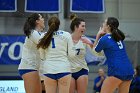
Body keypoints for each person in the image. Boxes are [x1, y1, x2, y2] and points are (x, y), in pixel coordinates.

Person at [92, 17, 134, 93]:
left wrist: (98, 35)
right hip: (129, 70)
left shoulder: (105, 38)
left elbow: (94, 51)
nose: (103, 24)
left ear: (108, 26)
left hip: (117, 70)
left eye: (104, 22)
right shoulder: (118, 37)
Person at [37, 16, 75, 93]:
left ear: (48, 24)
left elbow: (42, 56)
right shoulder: (66, 35)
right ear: (59, 24)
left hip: (49, 70)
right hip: (64, 69)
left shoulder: (43, 36)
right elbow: (72, 55)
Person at [18, 13, 45, 93]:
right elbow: (44, 45)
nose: (43, 19)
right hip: (28, 67)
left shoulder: (39, 34)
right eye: (41, 18)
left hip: (34, 68)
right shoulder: (32, 33)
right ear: (37, 21)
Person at [68, 14, 94, 93]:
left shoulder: (85, 40)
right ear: (76, 27)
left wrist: (91, 44)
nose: (84, 28)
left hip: (82, 69)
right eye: (82, 26)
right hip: (69, 70)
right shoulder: (66, 38)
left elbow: (95, 52)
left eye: (84, 26)